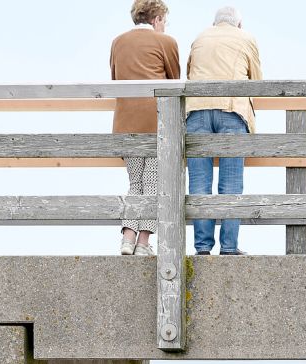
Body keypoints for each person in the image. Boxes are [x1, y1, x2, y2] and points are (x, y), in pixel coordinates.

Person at [184, 6, 262, 255]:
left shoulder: (199, 38)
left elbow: (188, 73)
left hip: (196, 111)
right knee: (231, 182)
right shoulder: (246, 38)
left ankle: (202, 248)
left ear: (214, 23)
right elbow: (258, 82)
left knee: (199, 183)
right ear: (239, 24)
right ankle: (229, 247)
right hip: (231, 110)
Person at [111, 0, 181, 256]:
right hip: (155, 123)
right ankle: (142, 243)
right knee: (152, 184)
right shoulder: (167, 42)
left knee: (135, 183)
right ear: (158, 17)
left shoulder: (118, 42)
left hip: (125, 123)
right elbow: (174, 82)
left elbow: (115, 77)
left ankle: (127, 240)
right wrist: (161, 37)